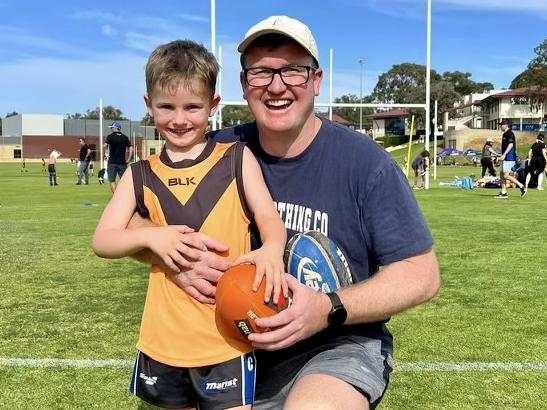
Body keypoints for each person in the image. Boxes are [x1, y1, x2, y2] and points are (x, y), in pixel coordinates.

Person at [130, 16, 440, 409]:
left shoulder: (365, 164)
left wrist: (328, 308)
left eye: (293, 70)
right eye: (260, 72)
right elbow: (131, 214)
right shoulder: (217, 151)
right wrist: (172, 256)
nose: (277, 86)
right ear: (244, 86)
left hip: (334, 345)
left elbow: (421, 275)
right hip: (226, 347)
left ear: (316, 80)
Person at [92, 39, 288, 409]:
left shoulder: (235, 159)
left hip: (226, 339)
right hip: (162, 341)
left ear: (213, 106)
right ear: (149, 106)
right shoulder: (140, 175)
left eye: (192, 107)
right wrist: (153, 237)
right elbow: (103, 240)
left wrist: (273, 250)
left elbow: (269, 221)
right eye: (166, 107)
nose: (179, 119)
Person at [495, 119, 526, 198]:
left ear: (506, 125)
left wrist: (504, 155)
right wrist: (501, 154)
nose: (500, 126)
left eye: (501, 125)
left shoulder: (510, 133)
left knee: (505, 175)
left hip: (509, 157)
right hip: (505, 157)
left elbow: (511, 145)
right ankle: (503, 192)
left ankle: (521, 186)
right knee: (502, 175)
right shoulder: (504, 134)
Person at [103, 121, 133, 193]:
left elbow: (105, 145)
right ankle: (126, 196)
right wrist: (128, 159)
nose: (111, 129)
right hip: (122, 162)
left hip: (112, 162)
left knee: (112, 180)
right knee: (124, 181)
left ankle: (116, 197)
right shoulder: (125, 137)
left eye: (112, 128)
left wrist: (105, 153)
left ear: (115, 128)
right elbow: (131, 148)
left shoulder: (110, 137)